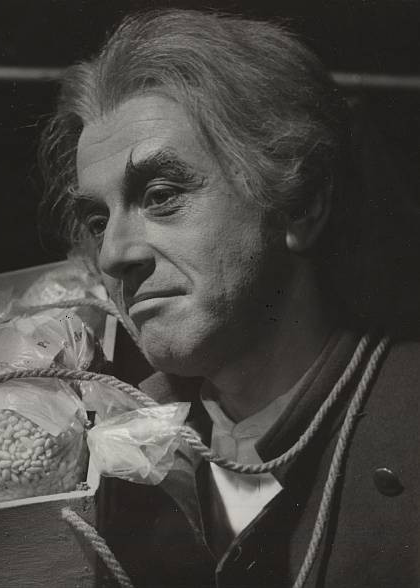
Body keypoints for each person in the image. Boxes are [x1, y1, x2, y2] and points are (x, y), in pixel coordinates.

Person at [39, 9, 418, 588]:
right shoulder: (114, 452)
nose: (113, 253)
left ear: (300, 203)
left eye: (161, 195)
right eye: (97, 219)